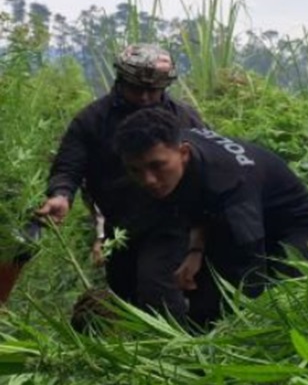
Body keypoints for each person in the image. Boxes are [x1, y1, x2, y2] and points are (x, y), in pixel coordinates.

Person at [34, 43, 203, 319]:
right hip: (120, 225)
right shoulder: (93, 120)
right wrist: (61, 195)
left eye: (154, 90)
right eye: (137, 89)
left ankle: (177, 352)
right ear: (120, 81)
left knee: (157, 287)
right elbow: (68, 165)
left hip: (172, 220)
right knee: (124, 294)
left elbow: (208, 160)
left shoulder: (183, 118)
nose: (146, 97)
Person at [113, 107, 308, 326]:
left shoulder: (228, 180)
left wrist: (244, 324)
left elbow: (249, 265)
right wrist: (195, 250)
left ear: (184, 153)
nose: (149, 180)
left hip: (287, 224)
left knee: (285, 300)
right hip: (224, 217)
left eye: (156, 166)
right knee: (203, 310)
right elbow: (195, 203)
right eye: (135, 170)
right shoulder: (174, 154)